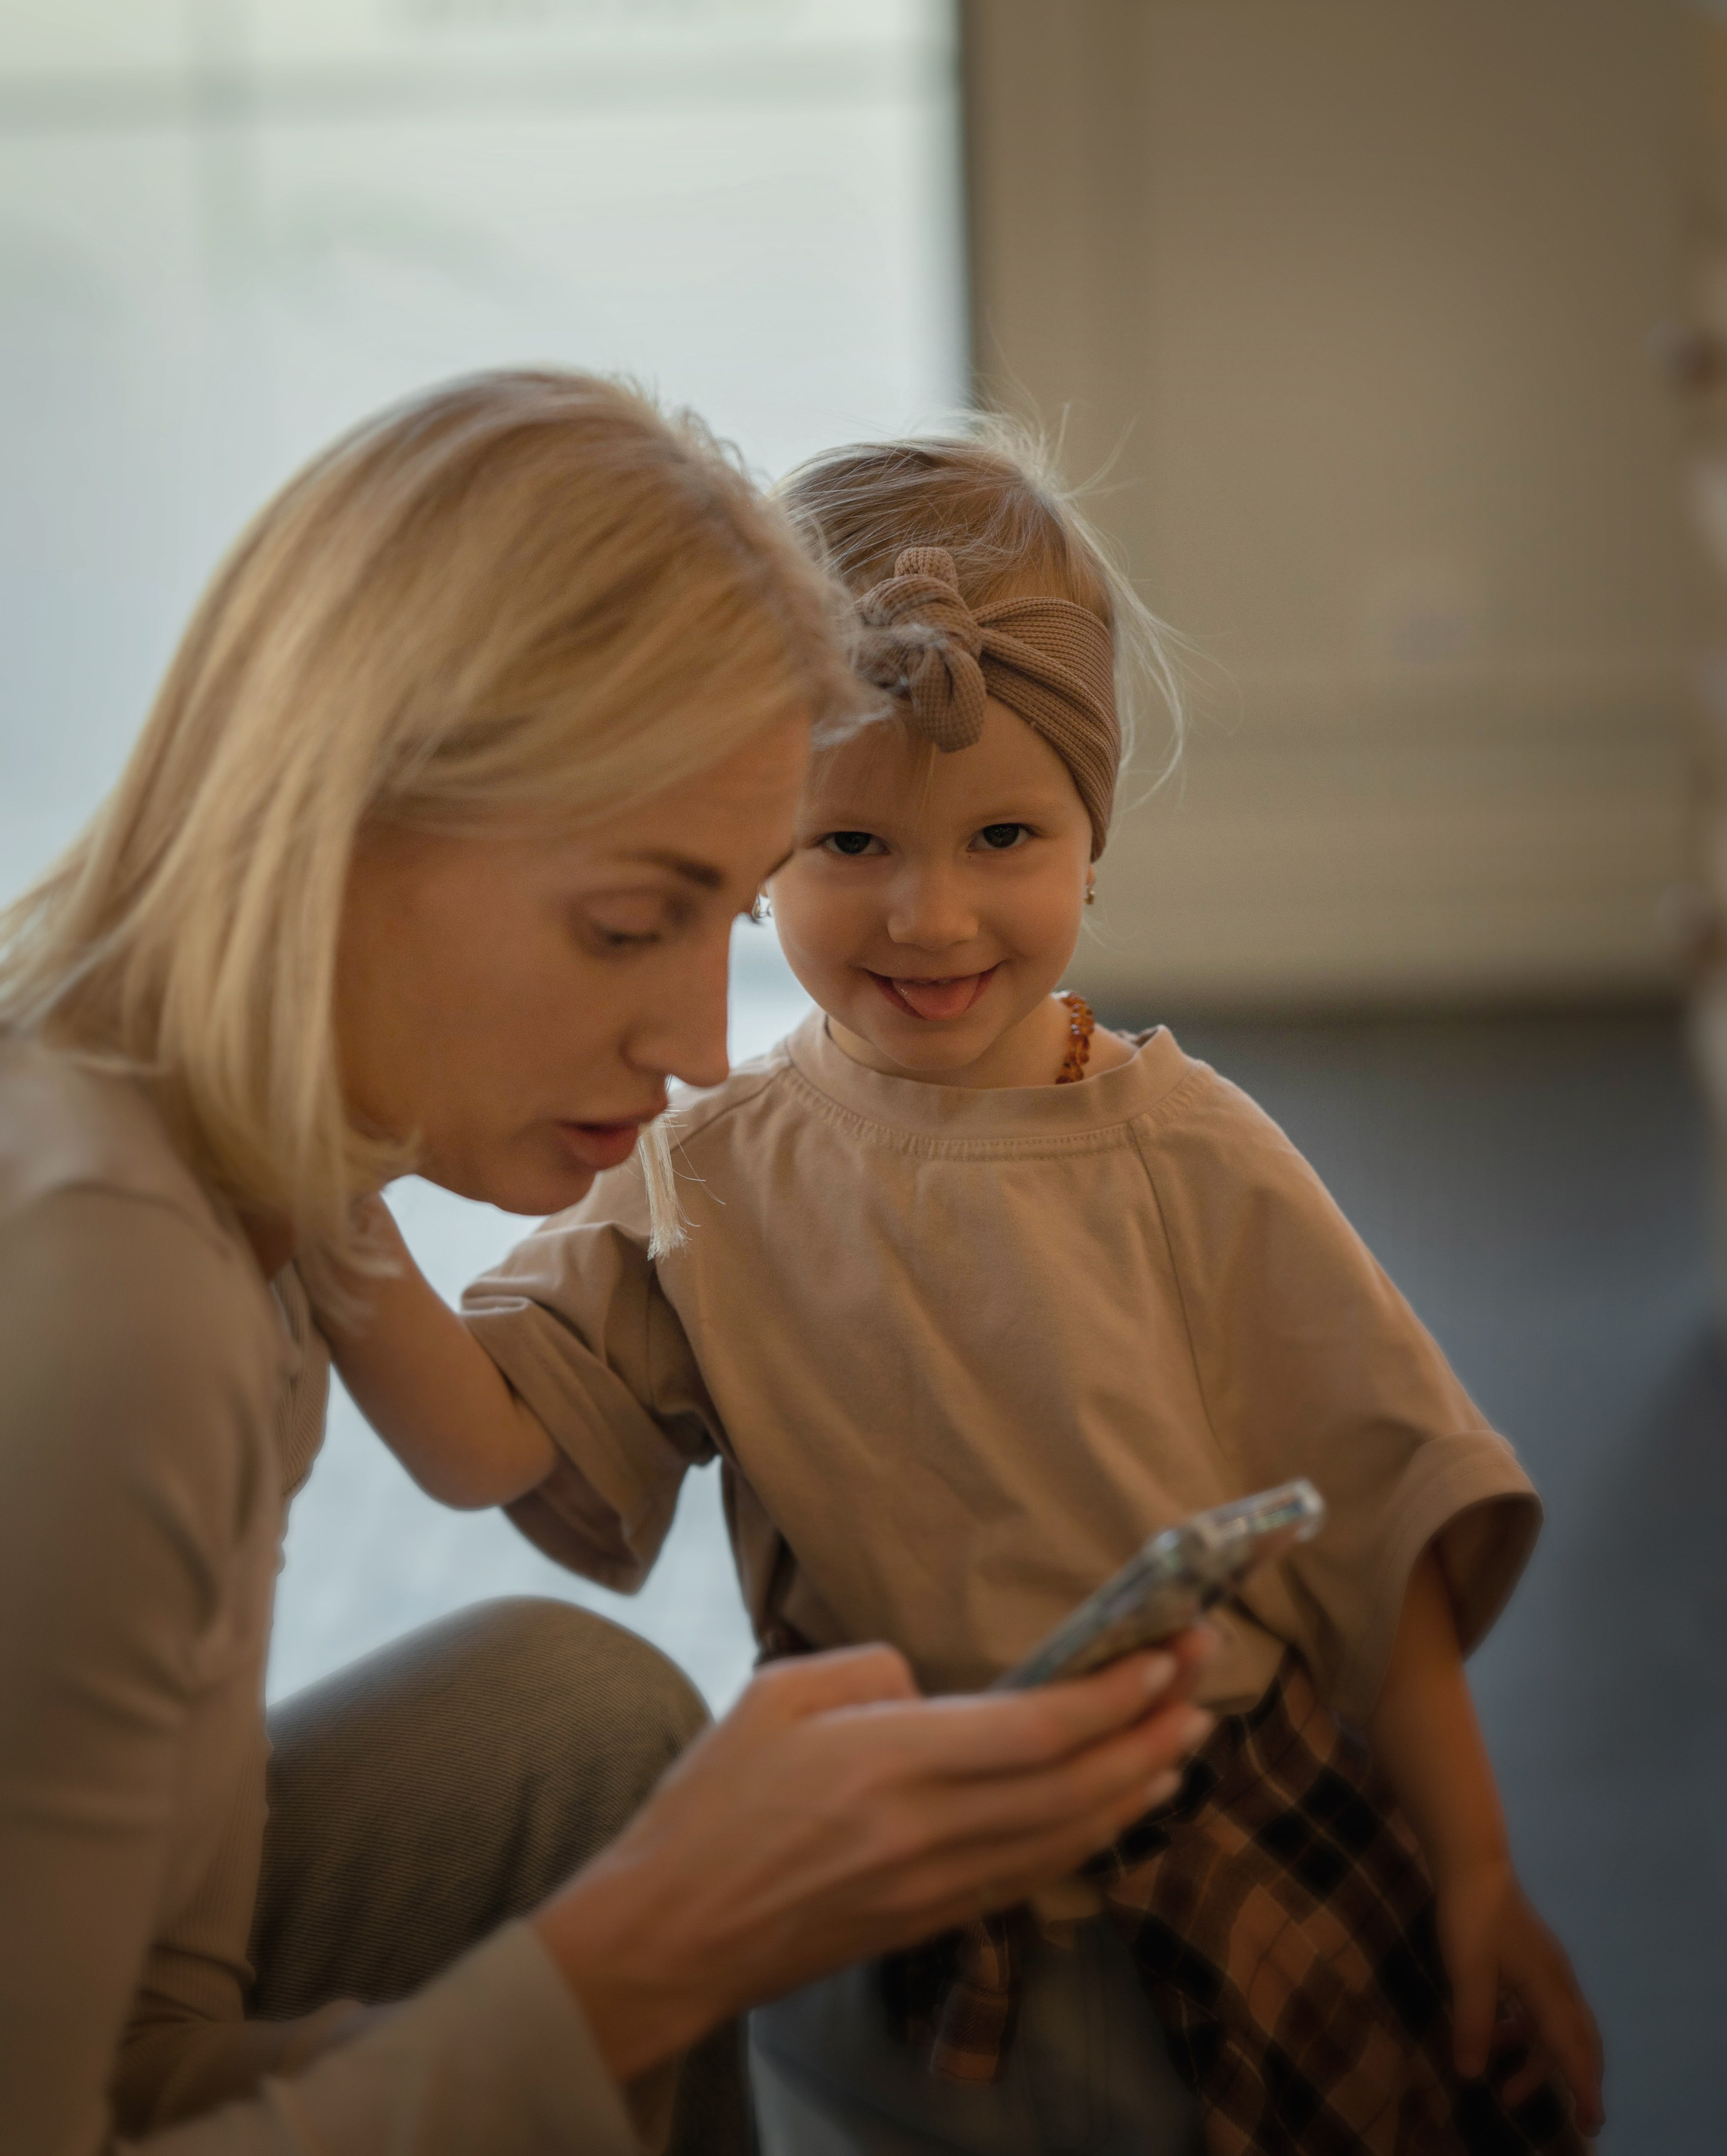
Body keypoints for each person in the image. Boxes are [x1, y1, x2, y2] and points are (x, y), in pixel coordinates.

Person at [310, 430, 1606, 2155]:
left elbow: (1384, 1542)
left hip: (1230, 1862)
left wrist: (1478, 1870)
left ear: (1092, 837)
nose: (929, 916)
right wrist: (320, 1199)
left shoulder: (1189, 1156)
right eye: (848, 837)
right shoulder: (704, 1169)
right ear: (749, 849)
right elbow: (491, 1444)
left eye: (1004, 833)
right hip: (887, 1891)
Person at [0, 375, 1222, 2156]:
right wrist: (639, 1961)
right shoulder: (114, 1294)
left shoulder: (247, 1195)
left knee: (567, 1718)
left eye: (724, 921)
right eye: (629, 923)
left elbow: (142, 2036)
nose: (698, 1047)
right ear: (344, 816)